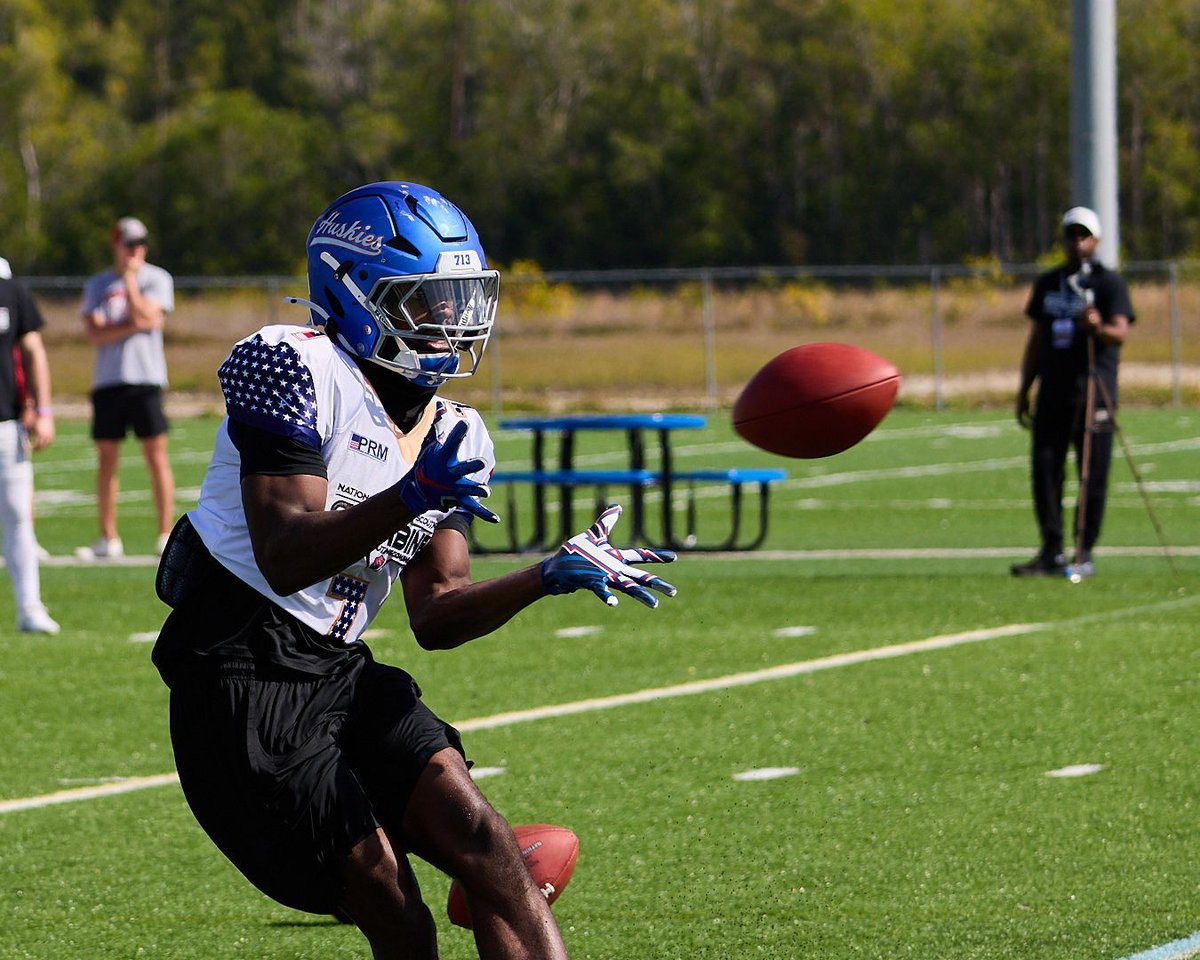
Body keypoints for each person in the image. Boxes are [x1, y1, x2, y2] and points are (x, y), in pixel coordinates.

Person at [151, 181, 677, 958]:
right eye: (425, 300)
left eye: (458, 298)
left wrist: (546, 573)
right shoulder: (291, 364)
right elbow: (285, 550)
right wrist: (411, 494)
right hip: (239, 668)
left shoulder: (458, 429)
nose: (451, 320)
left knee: (487, 844)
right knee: (392, 901)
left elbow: (437, 611)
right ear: (356, 292)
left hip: (337, 666)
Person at [1012, 205, 1135, 579]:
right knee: (1045, 471)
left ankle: (1083, 551)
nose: (1077, 242)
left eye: (1084, 235)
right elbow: (1036, 340)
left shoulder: (1109, 283)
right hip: (1054, 390)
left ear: (1096, 240)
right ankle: (1051, 551)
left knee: (1092, 473)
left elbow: (1120, 333)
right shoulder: (1049, 283)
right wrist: (1025, 387)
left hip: (1094, 391)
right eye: (1071, 234)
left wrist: (1097, 327)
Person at [77, 216, 176, 560]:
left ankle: (165, 534)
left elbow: (148, 317)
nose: (136, 250)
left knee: (155, 456)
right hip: (108, 381)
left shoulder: (157, 278)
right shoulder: (97, 284)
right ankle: (108, 537)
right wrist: (133, 324)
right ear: (115, 244)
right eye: (129, 243)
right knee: (107, 460)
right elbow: (95, 334)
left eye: (140, 244)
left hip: (145, 378)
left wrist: (131, 282)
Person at [0, 262, 59, 633]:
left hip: (6, 425)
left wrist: (44, 409)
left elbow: (34, 350)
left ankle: (29, 608)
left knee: (19, 516)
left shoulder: (10, 290)